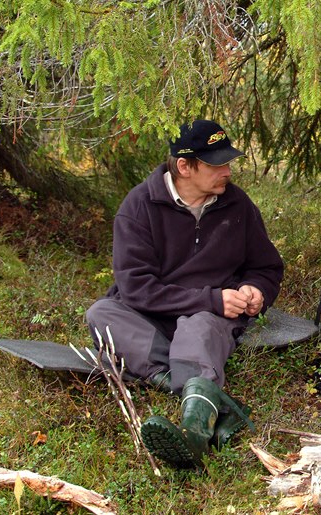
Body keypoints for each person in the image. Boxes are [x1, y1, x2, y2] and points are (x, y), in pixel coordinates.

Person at [85, 119, 284, 468]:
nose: (227, 171)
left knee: (198, 328)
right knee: (100, 314)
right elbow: (135, 288)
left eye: (228, 162)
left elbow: (266, 267)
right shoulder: (139, 207)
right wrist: (210, 297)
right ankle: (210, 399)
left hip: (209, 317)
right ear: (184, 167)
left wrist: (256, 289)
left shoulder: (238, 205)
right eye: (217, 164)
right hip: (153, 315)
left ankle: (194, 436)